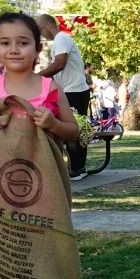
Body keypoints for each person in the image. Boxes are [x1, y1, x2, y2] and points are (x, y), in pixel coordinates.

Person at [0, 12, 80, 146]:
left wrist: (53, 124)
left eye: (23, 43)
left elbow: (73, 132)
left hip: (41, 166)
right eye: (5, 43)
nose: (14, 50)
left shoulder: (50, 88)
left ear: (38, 48)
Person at [38, 14, 92, 180]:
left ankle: (77, 168)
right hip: (71, 90)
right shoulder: (59, 41)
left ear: (48, 24)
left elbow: (59, 64)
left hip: (74, 91)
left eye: (40, 29)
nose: (41, 34)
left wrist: (37, 76)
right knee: (72, 128)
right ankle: (76, 166)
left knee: (73, 129)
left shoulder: (61, 38)